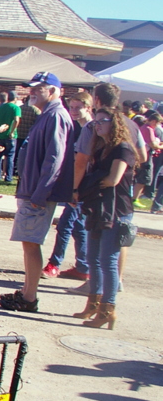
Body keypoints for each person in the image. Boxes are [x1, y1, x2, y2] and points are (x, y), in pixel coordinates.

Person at [0, 72, 73, 312]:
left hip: (38, 195)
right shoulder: (47, 115)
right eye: (31, 88)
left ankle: (29, 298)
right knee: (28, 243)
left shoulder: (56, 116)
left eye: (38, 88)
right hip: (32, 191)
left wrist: (40, 194)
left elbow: (55, 159)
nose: (32, 92)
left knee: (31, 243)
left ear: (52, 91)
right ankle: (26, 292)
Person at [69, 82, 149, 295]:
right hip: (124, 192)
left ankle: (100, 290)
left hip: (105, 196)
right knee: (116, 242)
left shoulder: (94, 125)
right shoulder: (131, 125)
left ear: (96, 100)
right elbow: (143, 156)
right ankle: (115, 282)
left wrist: (75, 189)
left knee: (102, 248)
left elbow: (81, 160)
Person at [72, 107, 136, 329]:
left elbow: (113, 179)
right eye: (95, 121)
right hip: (98, 208)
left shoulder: (123, 149)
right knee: (92, 258)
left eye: (102, 121)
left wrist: (88, 184)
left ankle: (108, 309)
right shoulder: (102, 148)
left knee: (108, 260)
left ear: (115, 123)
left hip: (117, 212)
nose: (97, 125)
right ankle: (93, 303)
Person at [42, 91, 94, 280]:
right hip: (75, 183)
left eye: (78, 108)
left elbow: (83, 162)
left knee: (65, 224)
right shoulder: (77, 127)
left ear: (88, 107)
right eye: (71, 107)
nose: (73, 111)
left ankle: (54, 263)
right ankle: (83, 266)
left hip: (82, 186)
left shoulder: (90, 128)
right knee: (78, 226)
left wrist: (74, 189)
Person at [133, 111, 162, 207]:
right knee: (144, 178)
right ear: (153, 121)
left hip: (143, 155)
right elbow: (153, 145)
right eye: (158, 123)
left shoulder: (144, 127)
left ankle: (135, 197)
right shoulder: (148, 129)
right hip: (146, 156)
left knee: (143, 178)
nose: (157, 125)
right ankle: (134, 199)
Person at [0, 91, 21, 182]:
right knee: (10, 157)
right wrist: (12, 131)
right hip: (10, 136)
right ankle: (8, 177)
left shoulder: (0, 108)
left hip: (0, 134)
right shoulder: (16, 108)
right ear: (15, 98)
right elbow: (16, 120)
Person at [15, 98, 41, 176]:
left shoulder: (20, 108)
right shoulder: (36, 110)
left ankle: (16, 168)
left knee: (17, 153)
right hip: (28, 134)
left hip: (19, 133)